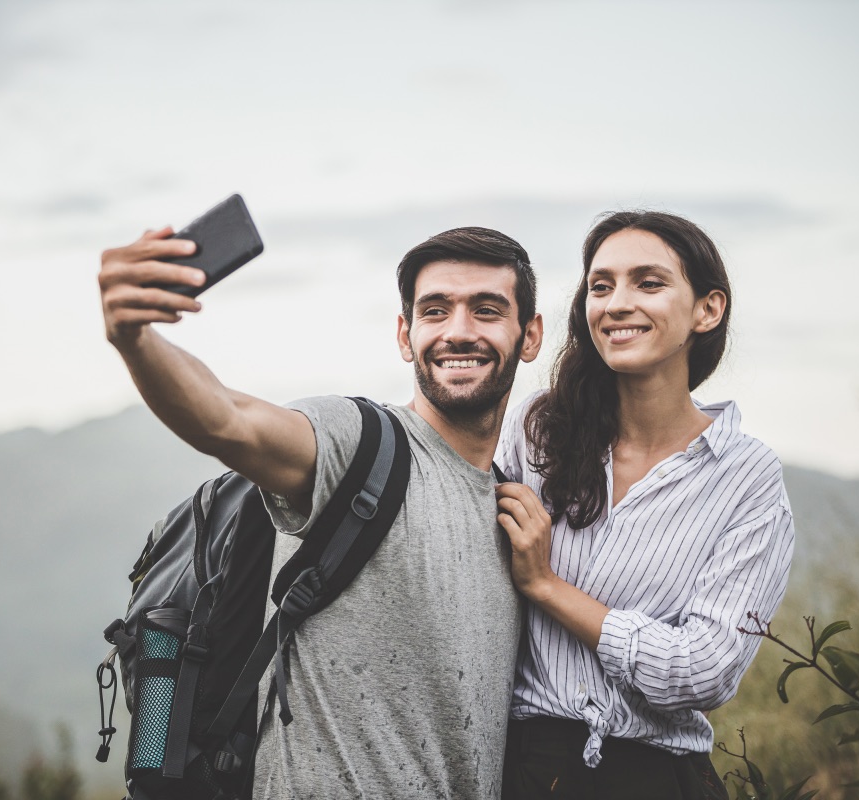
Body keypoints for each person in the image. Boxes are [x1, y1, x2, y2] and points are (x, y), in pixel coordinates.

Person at [99, 223, 544, 799]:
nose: (458, 332)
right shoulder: (356, 445)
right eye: (435, 311)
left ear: (529, 336)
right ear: (405, 336)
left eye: (486, 310)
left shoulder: (516, 514)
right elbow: (224, 418)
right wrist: (135, 339)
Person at [494, 211, 794, 799]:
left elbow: (704, 670)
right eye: (600, 286)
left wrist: (547, 585)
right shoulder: (540, 430)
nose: (616, 303)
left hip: (656, 777)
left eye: (648, 283)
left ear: (708, 309)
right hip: (523, 767)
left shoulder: (746, 476)